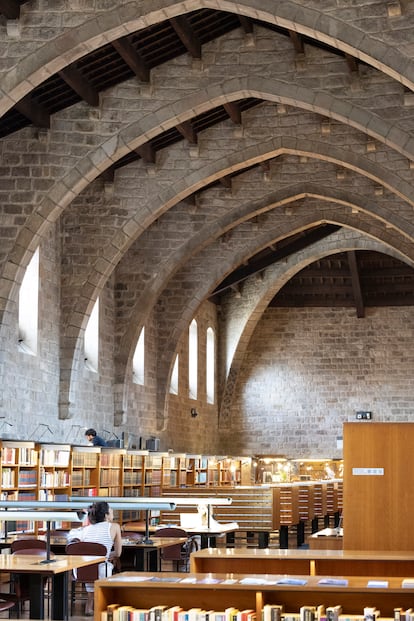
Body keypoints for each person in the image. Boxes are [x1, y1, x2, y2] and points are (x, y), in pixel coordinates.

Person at [68, 501, 122, 615]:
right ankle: (104, 605)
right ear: (106, 514)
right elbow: (118, 553)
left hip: (82, 570)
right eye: (111, 510)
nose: (113, 512)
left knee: (92, 565)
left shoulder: (86, 529)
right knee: (104, 566)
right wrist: (105, 556)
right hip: (102, 571)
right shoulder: (115, 527)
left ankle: (89, 606)